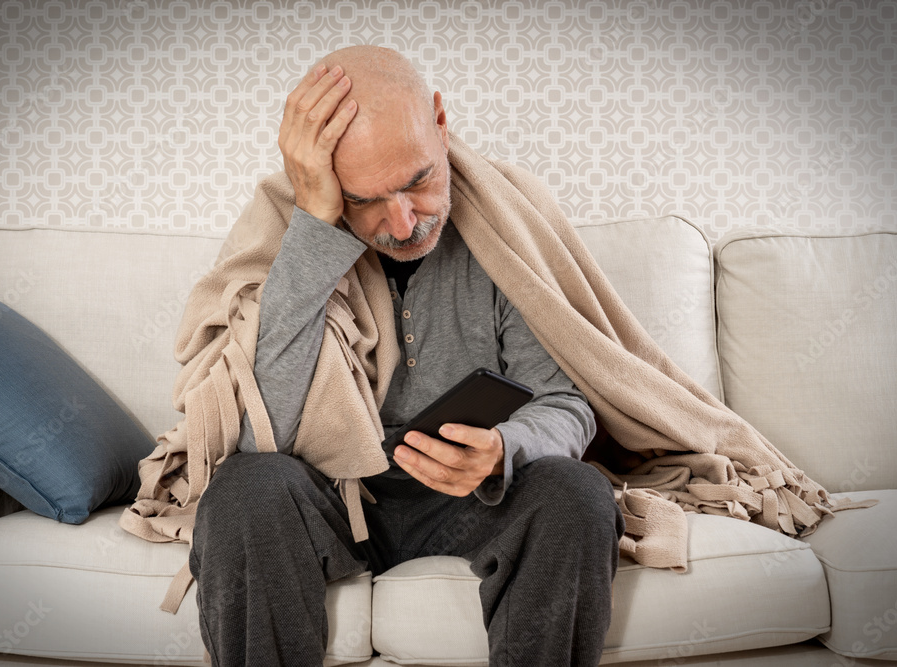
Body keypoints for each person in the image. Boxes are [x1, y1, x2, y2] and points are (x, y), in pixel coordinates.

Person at [187, 45, 625, 666]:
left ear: (441, 124)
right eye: (365, 200)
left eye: (419, 181)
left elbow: (564, 404)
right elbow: (263, 433)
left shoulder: (506, 227)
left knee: (575, 492)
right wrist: (315, 222)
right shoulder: (285, 232)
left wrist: (504, 451)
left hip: (470, 501)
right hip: (334, 500)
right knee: (244, 488)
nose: (402, 223)